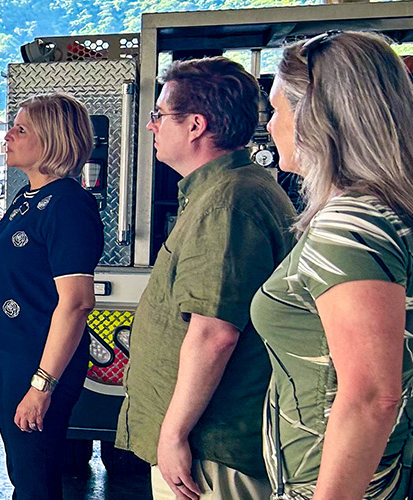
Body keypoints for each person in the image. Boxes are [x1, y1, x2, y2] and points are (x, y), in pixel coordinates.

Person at [114, 57, 297, 500]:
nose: (151, 126)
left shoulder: (228, 203)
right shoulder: (224, 191)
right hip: (204, 442)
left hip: (209, 450)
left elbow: (215, 333)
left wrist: (174, 433)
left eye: (159, 115)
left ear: (195, 125)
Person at [253, 31, 413, 500]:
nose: (269, 126)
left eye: (277, 110)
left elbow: (371, 397)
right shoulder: (397, 210)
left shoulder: (350, 222)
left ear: (315, 114)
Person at [0, 93, 102, 500]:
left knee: (35, 479)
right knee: (23, 472)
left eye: (20, 129)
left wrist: (42, 387)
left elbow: (76, 303)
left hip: (40, 361)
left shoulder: (68, 206)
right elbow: (11, 282)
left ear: (52, 140)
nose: (8, 135)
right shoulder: (28, 199)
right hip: (11, 356)